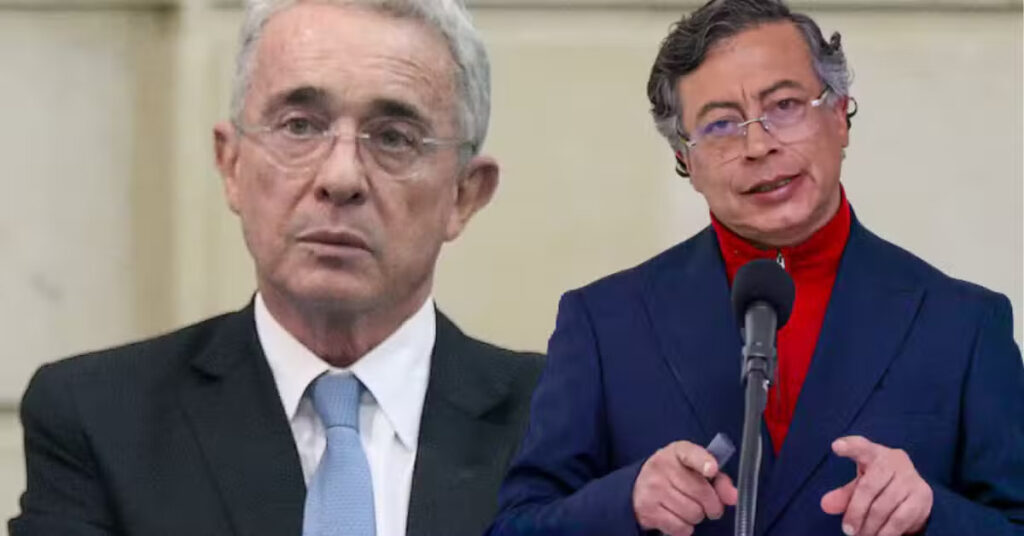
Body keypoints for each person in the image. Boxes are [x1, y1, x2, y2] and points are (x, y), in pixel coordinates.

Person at [488, 1, 1023, 535]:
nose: (758, 145)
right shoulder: (605, 322)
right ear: (685, 160)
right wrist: (626, 502)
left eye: (785, 106)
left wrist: (930, 512)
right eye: (720, 124)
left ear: (840, 115)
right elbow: (515, 525)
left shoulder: (963, 325)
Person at [9, 1, 543, 535]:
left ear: (464, 194)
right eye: (300, 126)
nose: (340, 178)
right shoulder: (102, 420)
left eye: (393, 138)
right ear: (232, 164)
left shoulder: (564, 423)